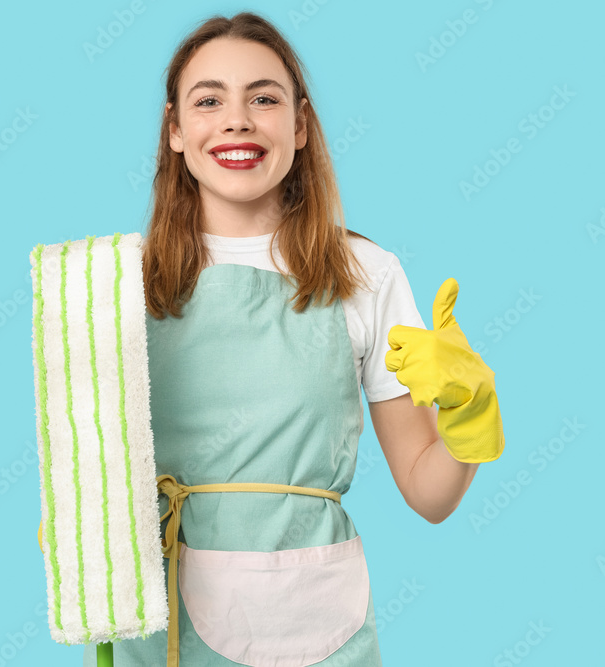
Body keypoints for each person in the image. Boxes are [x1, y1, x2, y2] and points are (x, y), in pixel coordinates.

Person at [86, 11, 505, 666]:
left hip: (316, 625)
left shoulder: (366, 274)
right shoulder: (116, 284)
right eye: (209, 100)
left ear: (300, 124)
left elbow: (430, 494)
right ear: (174, 130)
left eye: (264, 97)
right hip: (163, 626)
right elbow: (86, 462)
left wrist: (470, 416)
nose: (238, 120)